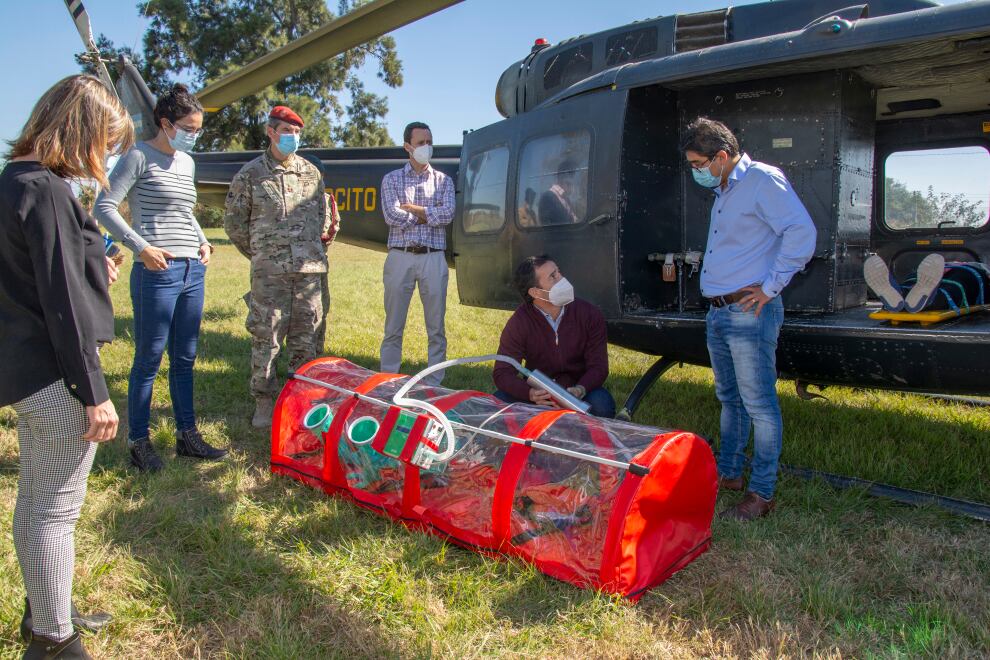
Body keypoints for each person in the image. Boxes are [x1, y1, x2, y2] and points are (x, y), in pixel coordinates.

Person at [1, 74, 132, 658]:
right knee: (56, 512)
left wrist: (90, 267)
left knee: (34, 501)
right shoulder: (51, 190)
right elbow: (62, 305)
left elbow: (35, 274)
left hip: (25, 369)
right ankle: (55, 642)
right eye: (103, 142)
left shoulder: (15, 181)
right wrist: (94, 391)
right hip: (58, 377)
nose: (102, 158)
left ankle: (44, 608)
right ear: (79, 131)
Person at [681, 117, 816, 521]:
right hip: (720, 312)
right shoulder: (725, 189)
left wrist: (771, 287)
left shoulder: (761, 180)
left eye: (699, 164)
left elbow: (801, 233)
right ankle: (730, 473)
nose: (696, 172)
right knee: (730, 398)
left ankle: (762, 493)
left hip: (747, 310)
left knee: (758, 403)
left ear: (721, 157)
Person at [95, 83, 228, 472]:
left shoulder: (187, 163)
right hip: (156, 271)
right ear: (166, 123)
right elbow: (105, 206)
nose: (193, 135)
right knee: (148, 359)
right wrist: (141, 247)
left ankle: (188, 436)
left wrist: (203, 242)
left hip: (192, 269)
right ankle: (140, 443)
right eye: (188, 127)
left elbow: (186, 212)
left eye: (198, 128)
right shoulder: (137, 155)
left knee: (185, 357)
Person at [224, 106, 339, 428]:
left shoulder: (311, 174)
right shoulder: (250, 174)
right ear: (271, 132)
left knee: (308, 338)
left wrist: (309, 252)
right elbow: (234, 224)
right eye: (287, 132)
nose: (293, 138)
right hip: (270, 274)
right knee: (266, 336)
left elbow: (322, 217)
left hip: (309, 273)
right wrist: (264, 254)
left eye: (297, 132)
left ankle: (304, 400)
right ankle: (264, 401)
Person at [379, 121, 455, 385]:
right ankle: (388, 380)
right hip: (400, 256)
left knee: (436, 328)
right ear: (407, 147)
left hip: (433, 257)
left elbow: (447, 215)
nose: (427, 147)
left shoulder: (444, 181)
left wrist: (413, 209)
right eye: (421, 143)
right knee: (393, 326)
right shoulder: (391, 179)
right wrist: (427, 214)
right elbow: (391, 215)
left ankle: (434, 383)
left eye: (429, 142)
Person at [493, 256, 615, 418]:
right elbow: (502, 372)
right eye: (553, 276)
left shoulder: (589, 314)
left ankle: (587, 441)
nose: (562, 278)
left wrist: (581, 388)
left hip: (579, 390)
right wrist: (530, 393)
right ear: (535, 292)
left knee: (602, 405)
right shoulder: (519, 322)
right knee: (498, 402)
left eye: (558, 272)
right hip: (540, 394)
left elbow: (599, 366)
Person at [864, 253, 990, 313]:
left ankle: (902, 292)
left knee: (914, 280)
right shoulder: (977, 270)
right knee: (958, 286)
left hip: (957, 268)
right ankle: (932, 300)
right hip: (973, 272)